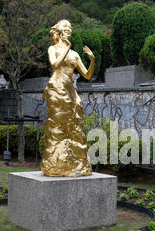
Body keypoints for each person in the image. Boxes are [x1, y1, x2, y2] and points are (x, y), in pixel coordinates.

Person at [41, 20, 94, 176]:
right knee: (57, 124)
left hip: (70, 90)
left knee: (75, 124)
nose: (69, 30)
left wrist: (92, 59)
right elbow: (55, 65)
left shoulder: (75, 55)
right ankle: (54, 163)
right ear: (58, 31)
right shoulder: (53, 48)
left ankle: (75, 162)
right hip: (56, 88)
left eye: (70, 27)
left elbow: (87, 75)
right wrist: (66, 47)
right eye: (66, 27)